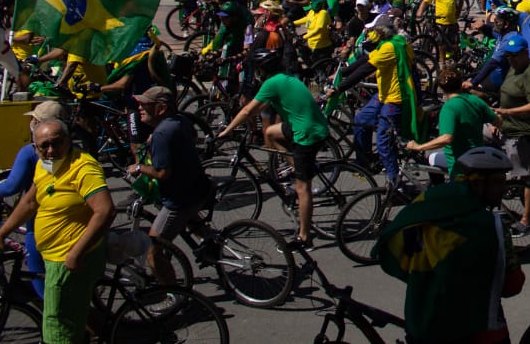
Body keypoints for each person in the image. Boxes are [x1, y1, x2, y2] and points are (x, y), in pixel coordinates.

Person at [376, 146, 525, 344]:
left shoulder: (428, 202)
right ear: (479, 184)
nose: (504, 189)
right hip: (478, 329)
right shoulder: (491, 225)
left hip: (423, 321)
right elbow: (512, 285)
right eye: (498, 182)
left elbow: (395, 254)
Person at [0, 119, 115, 344]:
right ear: (35, 147)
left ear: (69, 140)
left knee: (57, 326)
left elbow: (105, 211)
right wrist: (2, 233)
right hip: (53, 255)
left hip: (67, 258)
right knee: (68, 316)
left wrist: (76, 253)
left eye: (56, 143)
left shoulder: (82, 168)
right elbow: (29, 202)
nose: (50, 150)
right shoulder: (44, 165)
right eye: (44, 146)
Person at [218, 52, 329, 247]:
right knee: (269, 133)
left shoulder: (272, 84)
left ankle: (305, 237)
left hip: (307, 133)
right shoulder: (284, 78)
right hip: (303, 124)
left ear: (263, 70)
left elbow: (248, 111)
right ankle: (296, 166)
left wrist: (227, 130)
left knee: (303, 188)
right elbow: (259, 108)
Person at [126, 85, 213, 285]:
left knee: (152, 249)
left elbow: (162, 173)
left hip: (181, 198)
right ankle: (210, 241)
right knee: (191, 222)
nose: (139, 108)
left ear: (161, 109)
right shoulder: (180, 120)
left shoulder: (161, 134)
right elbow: (193, 136)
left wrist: (139, 168)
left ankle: (174, 295)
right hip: (199, 186)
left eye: (145, 105)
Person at [0, 99, 68, 298]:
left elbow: (11, 187)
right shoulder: (70, 148)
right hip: (69, 225)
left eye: (34, 119)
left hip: (40, 225)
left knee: (39, 278)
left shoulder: (32, 152)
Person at [324, 19, 407, 186]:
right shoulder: (384, 45)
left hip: (395, 97)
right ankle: (365, 163)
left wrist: (339, 88)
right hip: (384, 93)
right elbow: (366, 60)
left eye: (372, 31)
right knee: (361, 120)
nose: (369, 34)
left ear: (381, 32)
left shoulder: (391, 47)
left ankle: (396, 185)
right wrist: (343, 72)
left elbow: (366, 69)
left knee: (384, 142)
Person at [497, 33, 530, 237]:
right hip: (506, 126)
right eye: (509, 56)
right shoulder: (513, 68)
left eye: (515, 55)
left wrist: (508, 112)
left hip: (522, 130)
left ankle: (526, 220)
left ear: (526, 52)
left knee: (526, 176)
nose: (512, 59)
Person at [410, 66, 499, 173]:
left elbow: (446, 138)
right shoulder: (475, 100)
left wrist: (420, 147)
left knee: (430, 156)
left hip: (459, 162)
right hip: (477, 154)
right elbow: (497, 120)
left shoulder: (449, 108)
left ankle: (440, 186)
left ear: (441, 89)